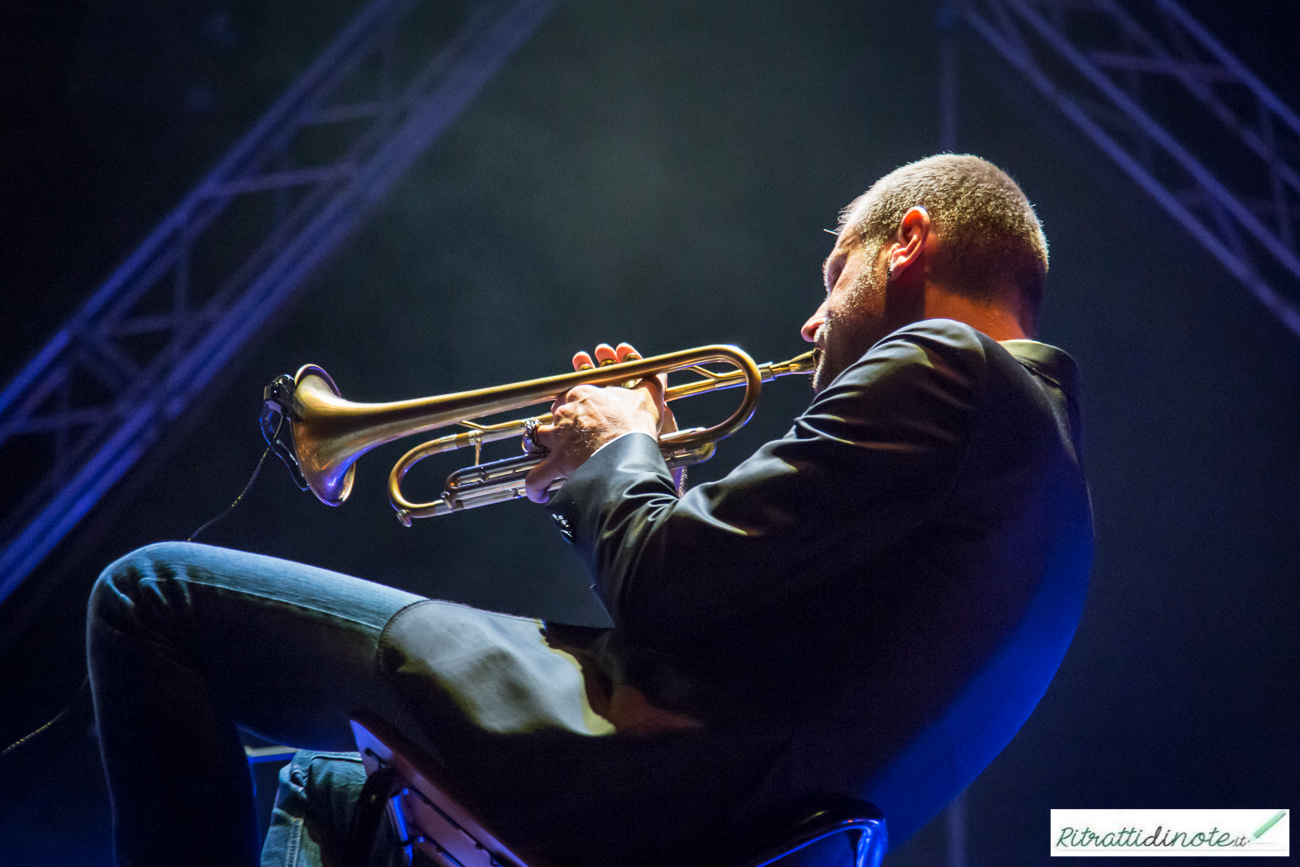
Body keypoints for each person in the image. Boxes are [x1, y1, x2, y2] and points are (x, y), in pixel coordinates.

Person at [86, 154, 1092, 867]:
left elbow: (661, 584)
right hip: (711, 821)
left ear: (905, 243)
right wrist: (610, 468)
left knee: (148, 596)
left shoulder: (947, 365)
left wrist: (617, 445)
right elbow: (728, 610)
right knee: (328, 796)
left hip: (634, 777)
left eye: (833, 277)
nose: (810, 320)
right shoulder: (1053, 510)